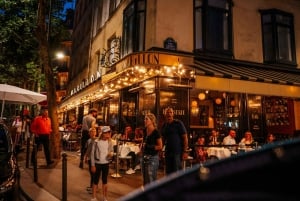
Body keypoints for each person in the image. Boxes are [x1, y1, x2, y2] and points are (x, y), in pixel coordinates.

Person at [161, 107, 189, 175]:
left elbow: (185, 138)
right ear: (165, 114)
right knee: (168, 172)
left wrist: (185, 151)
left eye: (170, 112)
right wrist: (161, 151)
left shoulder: (178, 123)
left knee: (177, 172)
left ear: (173, 114)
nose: (169, 114)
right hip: (168, 152)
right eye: (167, 112)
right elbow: (163, 139)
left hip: (177, 152)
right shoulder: (164, 125)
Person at [90, 126, 114, 201]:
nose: (108, 134)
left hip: (106, 163)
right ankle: (94, 197)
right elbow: (92, 154)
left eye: (109, 133)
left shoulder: (110, 142)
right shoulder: (96, 142)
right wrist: (93, 165)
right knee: (95, 180)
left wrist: (111, 154)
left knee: (105, 181)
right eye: (106, 133)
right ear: (102, 133)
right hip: (97, 163)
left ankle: (105, 197)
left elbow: (112, 151)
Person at [140, 113, 162, 185]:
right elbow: (143, 141)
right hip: (144, 156)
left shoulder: (156, 132)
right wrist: (141, 148)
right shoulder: (145, 130)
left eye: (146, 119)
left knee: (151, 179)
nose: (144, 121)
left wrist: (150, 146)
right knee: (145, 179)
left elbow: (160, 146)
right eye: (144, 119)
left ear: (152, 121)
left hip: (152, 158)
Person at [84, 127, 97, 194]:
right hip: (90, 159)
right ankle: (91, 186)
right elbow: (88, 150)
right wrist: (86, 157)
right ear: (89, 133)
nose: (93, 132)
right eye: (91, 131)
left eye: (94, 131)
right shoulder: (89, 140)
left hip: (95, 159)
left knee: (93, 174)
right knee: (91, 173)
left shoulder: (96, 140)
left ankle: (93, 188)